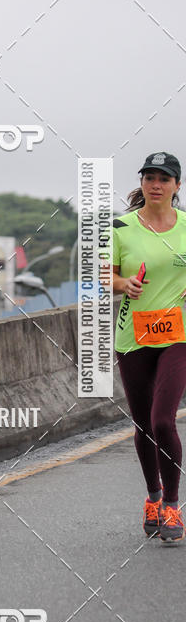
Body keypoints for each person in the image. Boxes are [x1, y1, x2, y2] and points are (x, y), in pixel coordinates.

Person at [112, 152, 186, 543]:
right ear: (141, 184)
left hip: (177, 336)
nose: (155, 184)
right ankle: (153, 497)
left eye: (164, 178)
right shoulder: (120, 228)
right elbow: (100, 274)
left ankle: (173, 505)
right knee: (143, 425)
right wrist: (124, 284)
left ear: (177, 186)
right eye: (149, 177)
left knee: (162, 421)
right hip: (133, 337)